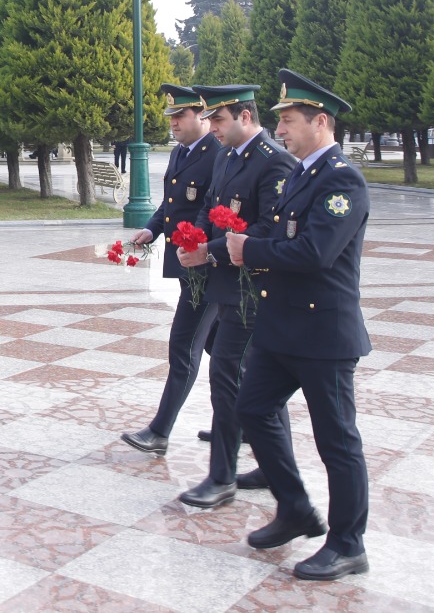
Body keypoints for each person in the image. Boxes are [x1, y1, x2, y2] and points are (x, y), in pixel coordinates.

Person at [226, 68, 372, 581]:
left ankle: (348, 544)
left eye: (288, 121)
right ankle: (294, 508)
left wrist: (254, 250)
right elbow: (278, 231)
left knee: (337, 442)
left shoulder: (341, 178)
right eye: (280, 121)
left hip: (322, 335)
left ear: (321, 121)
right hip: (282, 327)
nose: (280, 130)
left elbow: (316, 252)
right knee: (253, 408)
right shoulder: (302, 173)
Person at [173, 83, 297, 508]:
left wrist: (209, 250)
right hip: (226, 286)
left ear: (246, 117)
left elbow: (268, 231)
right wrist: (196, 242)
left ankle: (222, 475)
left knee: (227, 377)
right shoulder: (227, 156)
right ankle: (273, 464)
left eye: (219, 119)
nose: (213, 128)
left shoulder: (274, 164)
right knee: (257, 379)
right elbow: (211, 209)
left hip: (254, 291)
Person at [118, 84, 221, 454]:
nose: (174, 123)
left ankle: (160, 431)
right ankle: (234, 422)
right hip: (185, 264)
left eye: (180, 116)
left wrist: (203, 249)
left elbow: (213, 213)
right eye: (171, 117)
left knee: (184, 345)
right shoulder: (182, 152)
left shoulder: (217, 154)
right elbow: (171, 204)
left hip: (207, 268)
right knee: (217, 345)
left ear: (201, 116)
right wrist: (151, 227)